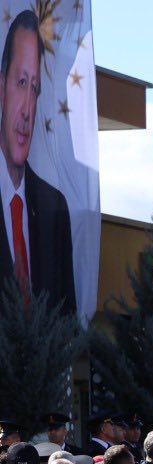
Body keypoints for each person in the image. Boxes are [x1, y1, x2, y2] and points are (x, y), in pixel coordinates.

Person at [0, 11, 75, 315]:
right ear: (1, 87)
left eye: (35, 88)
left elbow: (67, 323)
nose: (28, 110)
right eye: (21, 82)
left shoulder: (54, 207)